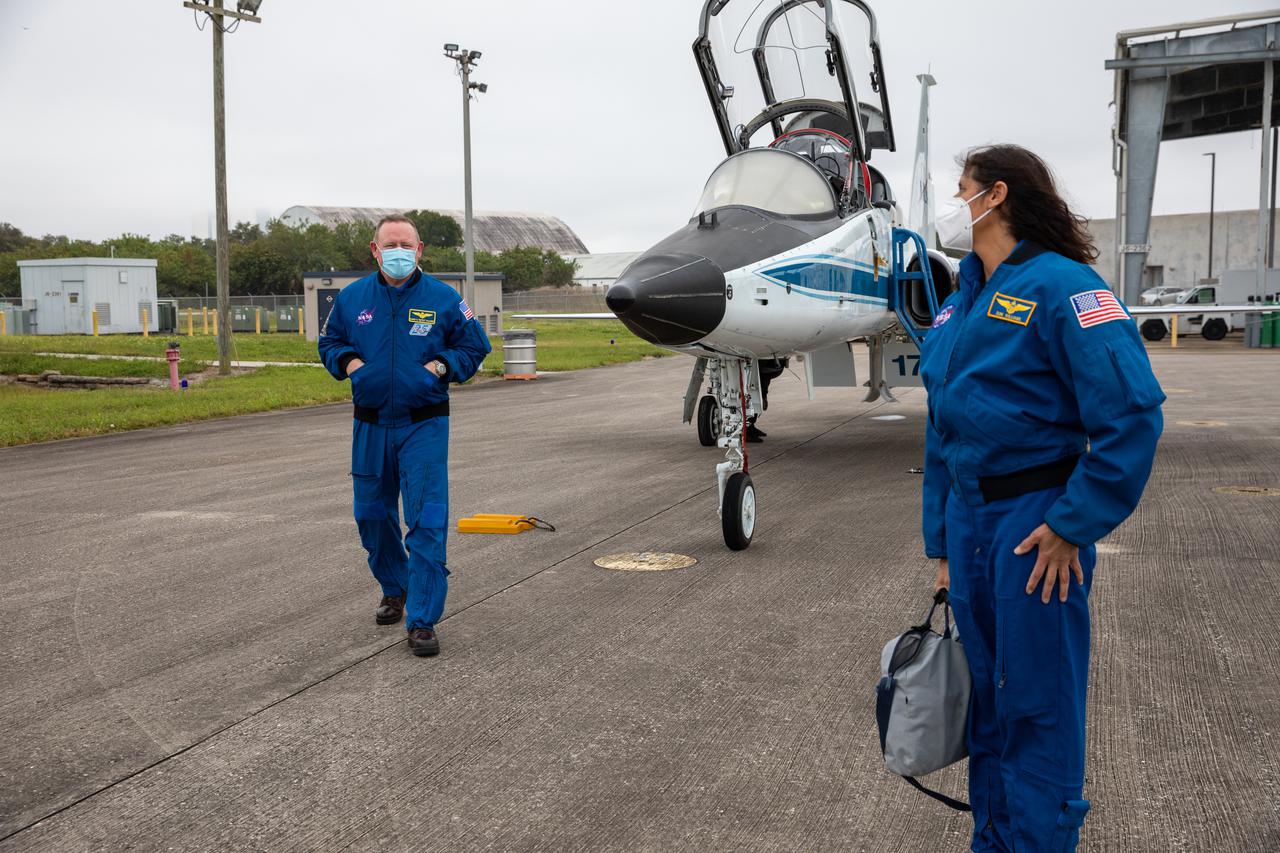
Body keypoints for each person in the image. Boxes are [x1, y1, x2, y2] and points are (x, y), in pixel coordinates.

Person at [918, 146, 1164, 851]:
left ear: (996, 196)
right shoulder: (959, 302)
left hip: (1033, 522)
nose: (954, 204)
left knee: (1037, 703)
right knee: (987, 706)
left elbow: (1132, 417)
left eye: (961, 190)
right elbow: (942, 431)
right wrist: (941, 545)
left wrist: (1071, 523)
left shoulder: (1066, 288)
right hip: (969, 525)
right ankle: (994, 840)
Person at [319, 214, 491, 657]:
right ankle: (394, 588)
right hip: (371, 423)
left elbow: (475, 346)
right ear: (375, 251)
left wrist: (438, 367)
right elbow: (330, 343)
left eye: (406, 244)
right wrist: (354, 366)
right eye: (389, 244)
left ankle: (422, 619)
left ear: (420, 251)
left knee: (426, 520)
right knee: (371, 515)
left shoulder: (445, 298)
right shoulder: (352, 297)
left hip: (424, 424)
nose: (398, 251)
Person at [746, 357, 787, 443]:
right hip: (758, 365)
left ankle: (750, 426)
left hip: (763, 365)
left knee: (759, 387)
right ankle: (747, 429)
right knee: (754, 389)